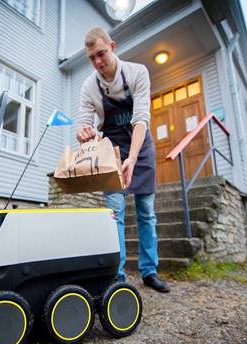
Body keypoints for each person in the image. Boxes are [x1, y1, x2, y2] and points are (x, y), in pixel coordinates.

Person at [76, 27, 169, 293]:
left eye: (101, 54)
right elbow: (83, 123)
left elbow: (141, 119)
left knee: (146, 213)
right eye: (91, 57)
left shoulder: (137, 72)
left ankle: (149, 271)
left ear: (113, 46)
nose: (97, 62)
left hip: (141, 147)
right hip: (112, 149)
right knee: (115, 214)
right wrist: (85, 133)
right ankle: (117, 275)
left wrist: (133, 157)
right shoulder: (88, 86)